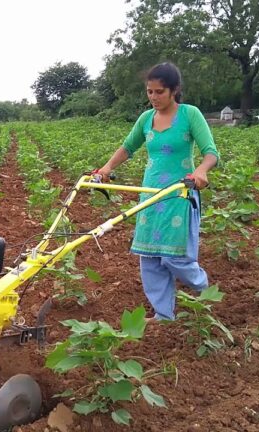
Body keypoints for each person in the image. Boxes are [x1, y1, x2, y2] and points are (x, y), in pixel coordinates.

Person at [96, 62, 220, 320]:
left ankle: (204, 289)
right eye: (149, 92)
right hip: (151, 195)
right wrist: (106, 168)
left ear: (174, 90)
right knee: (150, 258)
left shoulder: (189, 114)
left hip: (179, 193)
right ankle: (164, 315)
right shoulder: (146, 119)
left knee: (176, 258)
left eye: (159, 92)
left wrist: (201, 171)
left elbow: (211, 152)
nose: (153, 97)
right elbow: (128, 147)